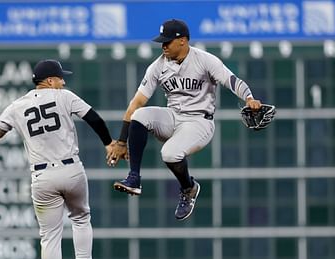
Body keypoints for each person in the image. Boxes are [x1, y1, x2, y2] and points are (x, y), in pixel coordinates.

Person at [0, 59, 115, 259]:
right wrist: (109, 143)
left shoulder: (17, 105)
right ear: (48, 80)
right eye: (59, 77)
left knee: (49, 237)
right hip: (71, 171)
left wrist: (13, 124)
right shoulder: (63, 96)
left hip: (42, 177)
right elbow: (94, 118)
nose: (63, 81)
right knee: (81, 218)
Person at [107, 19, 261, 220]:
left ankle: (188, 188)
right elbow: (135, 103)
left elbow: (231, 80)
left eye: (167, 41)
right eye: (162, 42)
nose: (163, 46)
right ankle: (134, 179)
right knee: (139, 115)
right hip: (173, 117)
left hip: (199, 122)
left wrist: (249, 97)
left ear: (183, 41)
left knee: (169, 154)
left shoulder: (204, 60)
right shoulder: (158, 67)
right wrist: (121, 141)